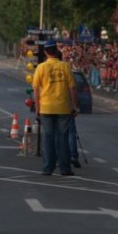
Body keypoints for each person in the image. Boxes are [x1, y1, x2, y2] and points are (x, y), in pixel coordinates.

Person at [32, 41, 79, 176]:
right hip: (63, 107)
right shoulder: (65, 66)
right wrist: (75, 106)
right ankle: (65, 168)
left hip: (46, 108)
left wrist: (37, 107)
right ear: (56, 50)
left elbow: (36, 89)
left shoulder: (41, 68)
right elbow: (72, 88)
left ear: (46, 52)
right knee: (62, 138)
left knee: (48, 138)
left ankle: (48, 167)